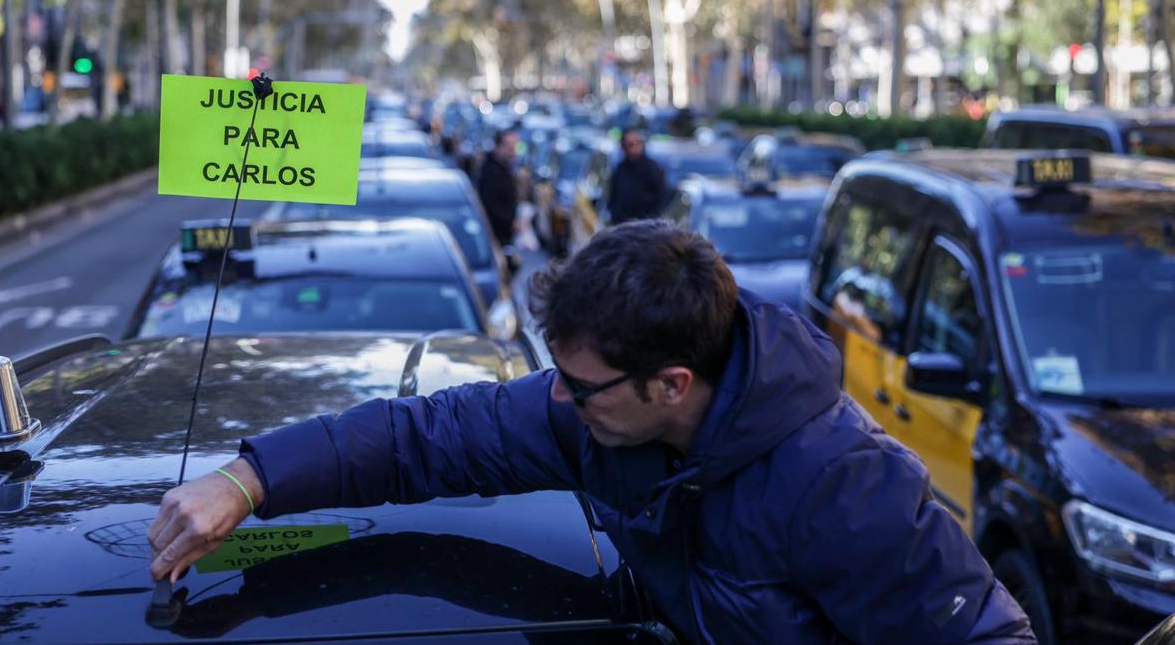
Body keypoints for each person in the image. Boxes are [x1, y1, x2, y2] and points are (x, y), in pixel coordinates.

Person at [149, 220, 1036, 644]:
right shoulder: (591, 415)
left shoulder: (851, 487)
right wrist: (248, 479)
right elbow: (424, 438)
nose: (559, 402)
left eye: (581, 384)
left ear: (671, 383)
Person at [607, 129, 667, 224]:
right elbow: (613, 196)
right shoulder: (620, 168)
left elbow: (661, 198)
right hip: (622, 224)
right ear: (623, 147)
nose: (635, 147)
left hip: (646, 226)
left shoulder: (653, 168)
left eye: (638, 143)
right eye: (630, 145)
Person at [476, 128, 520, 248]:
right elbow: (490, 205)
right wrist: (510, 222)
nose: (513, 153)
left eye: (516, 148)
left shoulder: (504, 167)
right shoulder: (490, 172)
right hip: (496, 235)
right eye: (510, 148)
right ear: (500, 146)